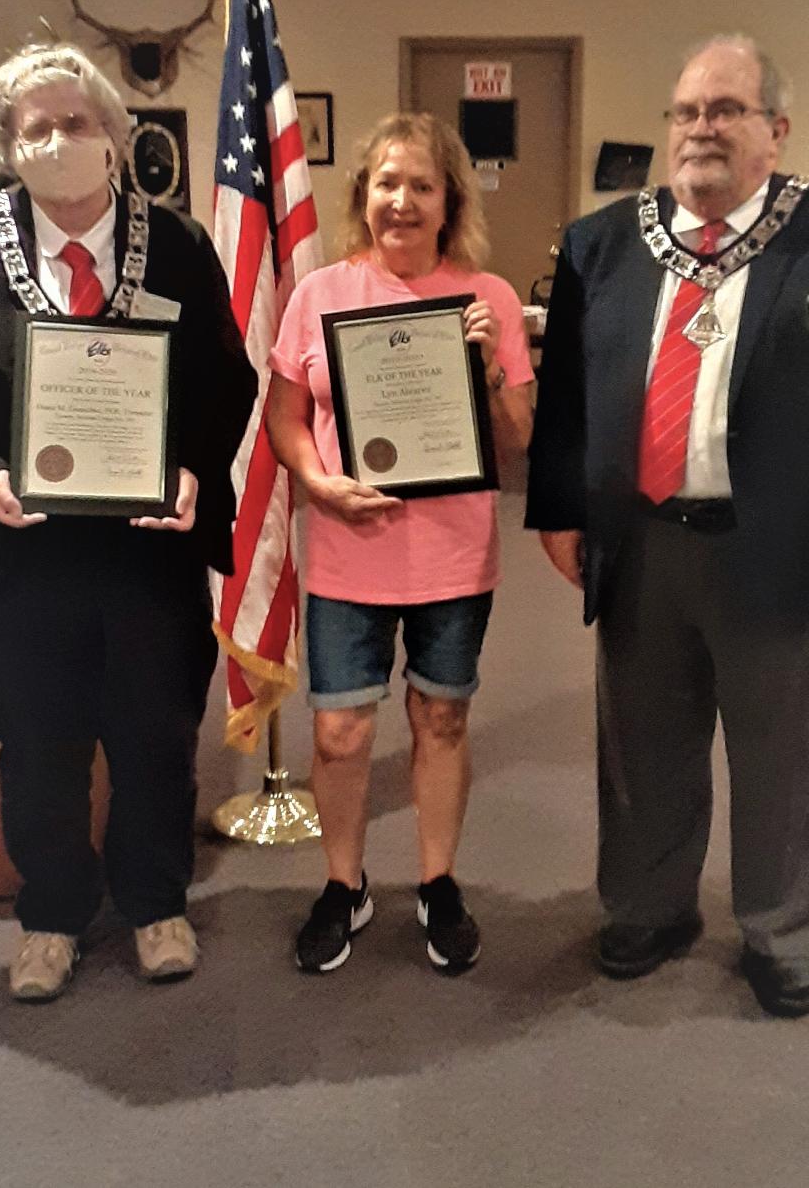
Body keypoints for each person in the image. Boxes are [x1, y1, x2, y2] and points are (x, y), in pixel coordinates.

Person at [0, 44, 257, 1001]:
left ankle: (154, 899)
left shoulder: (172, 243)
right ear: (8, 146)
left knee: (156, 738)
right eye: (34, 128)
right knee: (39, 743)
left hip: (146, 558)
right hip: (19, 557)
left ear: (116, 138)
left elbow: (226, 381)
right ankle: (50, 914)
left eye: (76, 123)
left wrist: (188, 471)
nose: (57, 141)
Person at [526, 34, 809, 1017]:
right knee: (643, 744)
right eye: (685, 112)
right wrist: (556, 509)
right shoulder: (603, 242)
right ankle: (648, 905)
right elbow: (565, 397)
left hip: (787, 547)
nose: (699, 130)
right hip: (641, 542)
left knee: (788, 756)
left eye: (723, 110)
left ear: (775, 129)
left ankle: (780, 928)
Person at [268, 112, 533, 973]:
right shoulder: (319, 294)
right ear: (364, 195)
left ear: (449, 199)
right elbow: (285, 417)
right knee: (341, 731)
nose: (402, 201)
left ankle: (438, 880)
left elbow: (519, 436)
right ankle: (344, 885)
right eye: (387, 182)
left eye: (421, 185)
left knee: (441, 715)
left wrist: (491, 369)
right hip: (349, 550)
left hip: (453, 556)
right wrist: (314, 480)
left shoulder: (487, 297)